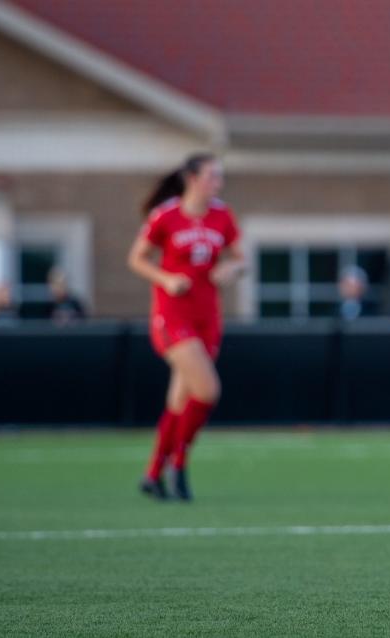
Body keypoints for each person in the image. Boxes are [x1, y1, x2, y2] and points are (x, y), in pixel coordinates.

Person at [128, 153, 245, 501]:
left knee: (180, 402)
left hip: (207, 316)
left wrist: (230, 270)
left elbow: (241, 258)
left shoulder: (222, 215)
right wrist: (166, 278)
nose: (217, 183)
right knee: (208, 390)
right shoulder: (166, 215)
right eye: (212, 176)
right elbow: (136, 258)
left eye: (219, 177)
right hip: (172, 316)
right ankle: (178, 464)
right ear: (192, 178)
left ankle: (153, 475)